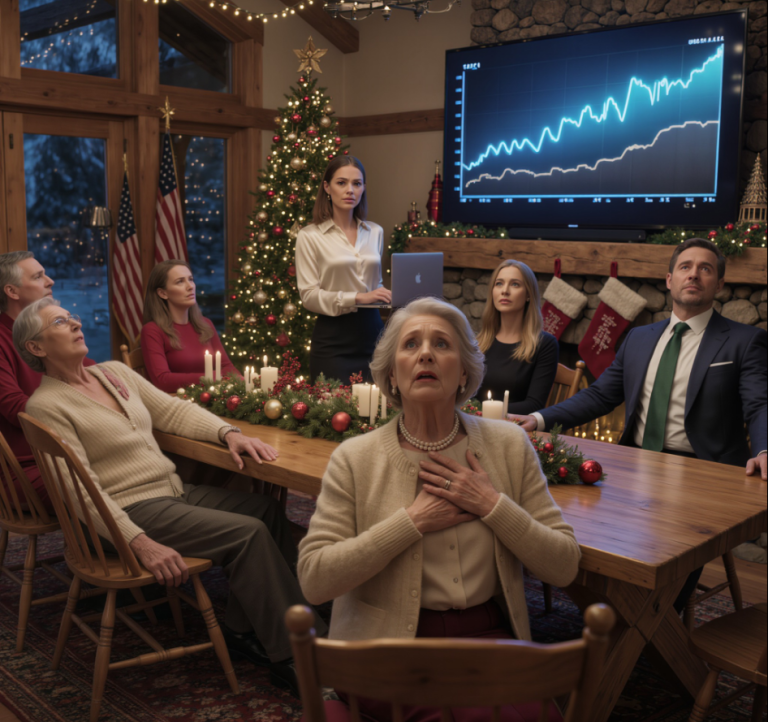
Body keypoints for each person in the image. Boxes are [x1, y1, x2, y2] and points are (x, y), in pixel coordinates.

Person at [15, 297, 326, 695]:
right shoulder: (45, 406)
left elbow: (174, 412)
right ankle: (297, 654)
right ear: (36, 348)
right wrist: (139, 543)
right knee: (247, 533)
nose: (76, 323)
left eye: (73, 316)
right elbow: (82, 494)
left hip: (174, 491)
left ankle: (245, 627)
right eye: (60, 321)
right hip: (131, 510)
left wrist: (228, 433)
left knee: (265, 509)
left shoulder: (112, 372)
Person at [298, 297, 580, 722]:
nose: (426, 353)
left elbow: (564, 566)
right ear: (392, 374)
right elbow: (315, 580)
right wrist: (411, 523)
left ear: (464, 370)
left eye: (442, 344)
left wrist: (491, 505)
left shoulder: (508, 445)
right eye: (410, 344)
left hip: (487, 636)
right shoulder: (355, 458)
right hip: (385, 647)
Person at [511, 238, 767, 610]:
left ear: (719, 285)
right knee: (571, 534)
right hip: (633, 466)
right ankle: (604, 611)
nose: (694, 273)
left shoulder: (745, 341)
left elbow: (760, 404)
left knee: (661, 581)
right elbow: (599, 396)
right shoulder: (639, 338)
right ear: (668, 279)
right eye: (685, 266)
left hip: (703, 474)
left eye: (705, 268)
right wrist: (538, 419)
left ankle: (637, 625)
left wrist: (764, 448)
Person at [0, 251, 94, 511]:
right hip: (28, 467)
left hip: (73, 453)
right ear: (12, 291)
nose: (50, 281)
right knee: (120, 482)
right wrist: (82, 410)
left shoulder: (49, 330)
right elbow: (13, 406)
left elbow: (93, 374)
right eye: (39, 276)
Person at [295, 155, 391, 384]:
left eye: (356, 184)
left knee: (376, 413)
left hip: (374, 336)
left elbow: (374, 284)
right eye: (342, 183)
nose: (350, 190)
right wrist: (358, 297)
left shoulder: (375, 232)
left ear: (363, 188)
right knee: (334, 415)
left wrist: (384, 295)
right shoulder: (309, 236)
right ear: (327, 187)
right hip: (333, 341)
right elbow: (308, 296)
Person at [141, 260, 239, 393]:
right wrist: (211, 378)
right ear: (163, 293)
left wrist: (243, 382)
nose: (190, 286)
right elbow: (162, 380)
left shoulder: (205, 324)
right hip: (177, 405)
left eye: (191, 279)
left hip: (212, 398)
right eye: (180, 281)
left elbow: (226, 366)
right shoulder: (152, 330)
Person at [477, 259, 558, 414]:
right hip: (474, 426)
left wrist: (483, 412)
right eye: (499, 283)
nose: (504, 291)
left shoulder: (545, 344)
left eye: (515, 284)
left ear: (528, 294)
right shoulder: (479, 342)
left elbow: (534, 405)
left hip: (516, 429)